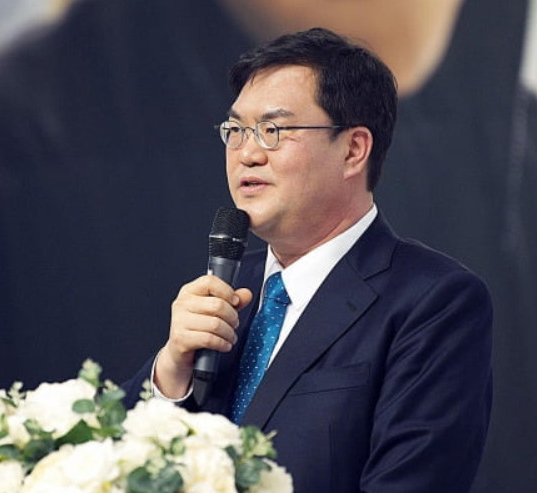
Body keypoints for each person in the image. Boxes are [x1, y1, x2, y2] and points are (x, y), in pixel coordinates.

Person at [122, 28, 493, 492]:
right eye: (235, 131)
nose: (247, 154)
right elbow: (111, 460)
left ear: (353, 150)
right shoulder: (227, 290)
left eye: (273, 131)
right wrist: (171, 373)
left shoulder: (433, 302)